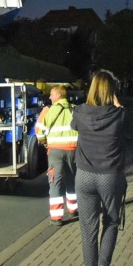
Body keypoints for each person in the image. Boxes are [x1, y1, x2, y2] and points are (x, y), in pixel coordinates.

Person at [71, 71, 131, 266]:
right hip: (110, 176)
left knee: (88, 229)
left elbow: (74, 125)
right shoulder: (119, 115)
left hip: (84, 176)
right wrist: (119, 106)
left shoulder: (80, 112)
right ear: (111, 91)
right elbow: (132, 134)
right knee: (112, 220)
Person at [35, 85, 78, 226]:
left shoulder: (49, 110)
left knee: (55, 182)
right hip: (73, 150)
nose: (49, 97)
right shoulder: (75, 109)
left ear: (59, 96)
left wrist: (44, 142)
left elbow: (39, 131)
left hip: (55, 152)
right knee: (72, 180)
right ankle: (73, 209)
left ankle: (56, 217)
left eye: (52, 94)